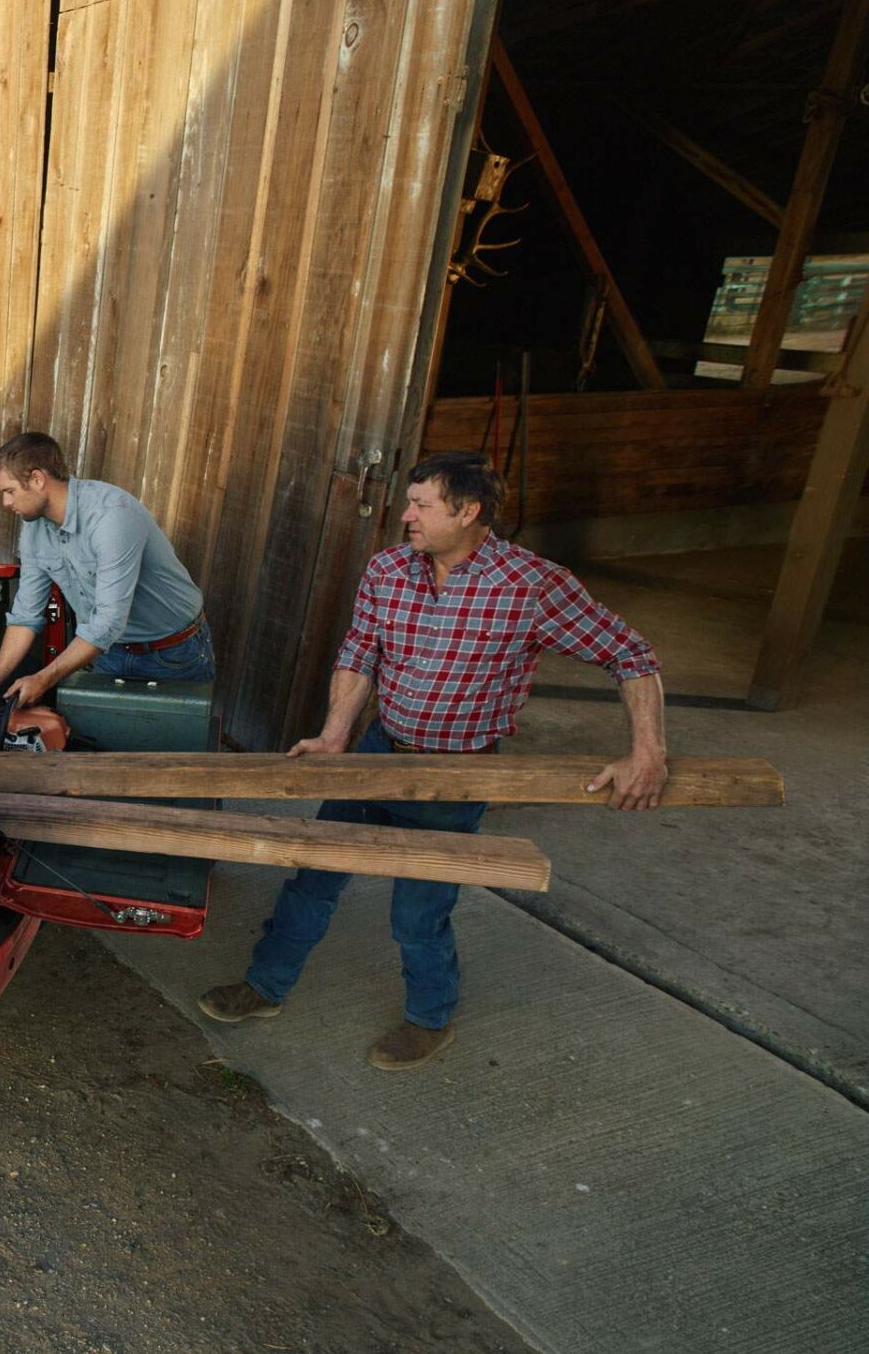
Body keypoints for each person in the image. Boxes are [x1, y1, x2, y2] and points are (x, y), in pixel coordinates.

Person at [198, 451, 670, 1070]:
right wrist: (336, 732)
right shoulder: (390, 569)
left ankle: (429, 1019)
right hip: (377, 752)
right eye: (409, 502)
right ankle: (264, 987)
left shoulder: (530, 585)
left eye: (422, 505)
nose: (405, 516)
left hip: (457, 773)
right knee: (311, 876)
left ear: (468, 511)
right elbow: (360, 649)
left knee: (419, 911)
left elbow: (630, 654)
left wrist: (647, 752)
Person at [0, 432, 211, 714]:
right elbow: (25, 617)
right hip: (106, 653)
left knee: (173, 756)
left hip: (173, 654)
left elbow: (108, 621)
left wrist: (43, 679)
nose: (6, 503)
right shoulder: (34, 529)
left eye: (10, 491)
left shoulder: (111, 517)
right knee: (96, 752)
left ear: (38, 480)